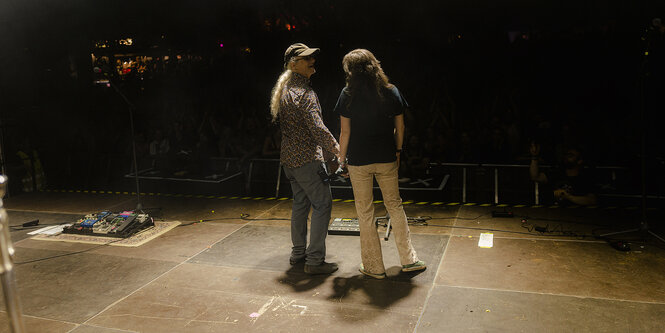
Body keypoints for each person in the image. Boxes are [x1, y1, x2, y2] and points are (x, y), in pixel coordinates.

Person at [335, 49, 426, 279]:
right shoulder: (391, 91)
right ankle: (409, 260)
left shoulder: (347, 95)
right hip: (386, 157)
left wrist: (341, 161)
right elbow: (401, 127)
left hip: (358, 161)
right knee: (395, 206)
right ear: (375, 66)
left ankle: (374, 267)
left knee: (365, 212)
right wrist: (397, 150)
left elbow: (345, 132)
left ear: (351, 71)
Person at [269, 43, 340, 275]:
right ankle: (315, 261)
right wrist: (338, 150)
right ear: (293, 64)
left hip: (290, 162)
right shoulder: (306, 94)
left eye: (312, 57)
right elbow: (317, 130)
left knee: (300, 205)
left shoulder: (285, 91)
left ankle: (298, 253)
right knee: (322, 204)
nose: (312, 61)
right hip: (307, 161)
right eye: (306, 58)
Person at [529, 142, 597, 206]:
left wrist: (567, 197)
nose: (566, 157)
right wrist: (534, 157)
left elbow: (592, 201)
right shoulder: (557, 173)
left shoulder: (585, 178)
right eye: (566, 155)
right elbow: (535, 177)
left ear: (580, 161)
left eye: (570, 155)